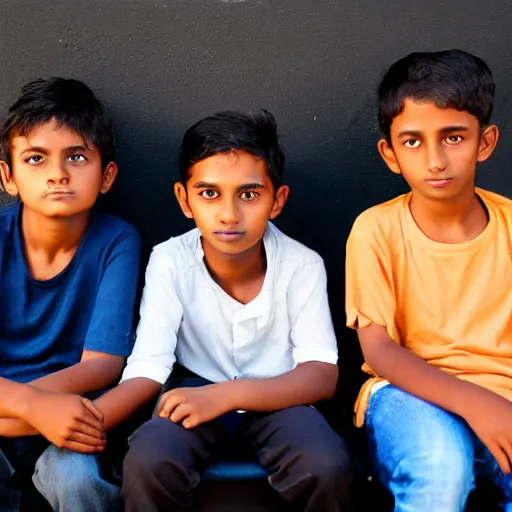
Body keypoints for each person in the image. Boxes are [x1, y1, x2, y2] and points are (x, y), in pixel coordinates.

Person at [118, 110, 353, 511]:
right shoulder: (170, 260)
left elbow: (321, 373)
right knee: (148, 459)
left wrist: (227, 395)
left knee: (326, 463)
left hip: (280, 397)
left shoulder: (302, 264)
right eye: (209, 193)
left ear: (276, 200)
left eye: (249, 194)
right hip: (194, 392)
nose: (229, 214)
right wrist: (100, 415)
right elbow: (149, 363)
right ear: (184, 199)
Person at [345, 49, 512, 511]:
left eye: (453, 137)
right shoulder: (375, 230)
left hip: (507, 399)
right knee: (440, 468)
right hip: (407, 397)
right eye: (414, 141)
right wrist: (477, 404)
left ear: (485, 141)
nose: (435, 159)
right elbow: (379, 350)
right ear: (390, 153)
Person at [0, 77, 141, 511]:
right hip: (16, 406)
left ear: (106, 176)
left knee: (78, 479)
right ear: (8, 176)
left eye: (76, 157)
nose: (58, 174)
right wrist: (28, 405)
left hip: (72, 417)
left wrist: (42, 410)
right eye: (36, 159)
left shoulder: (117, 241)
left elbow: (103, 365)